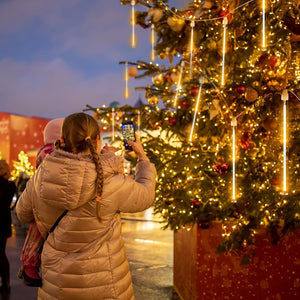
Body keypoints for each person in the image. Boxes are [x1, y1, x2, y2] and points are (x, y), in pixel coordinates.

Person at [16, 112, 156, 299]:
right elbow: (145, 196)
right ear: (97, 140)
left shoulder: (41, 177)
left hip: (57, 285)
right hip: (106, 283)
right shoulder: (110, 181)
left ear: (62, 139)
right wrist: (142, 156)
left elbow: (23, 214)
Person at [17, 118, 64, 287]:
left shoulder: (47, 150)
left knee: (37, 231)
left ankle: (30, 266)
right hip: (46, 200)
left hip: (45, 199)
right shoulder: (50, 152)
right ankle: (29, 265)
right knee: (37, 233)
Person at [0, 159, 16, 292]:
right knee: (1, 254)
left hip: (1, 224)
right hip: (4, 223)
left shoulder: (7, 185)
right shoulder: (10, 185)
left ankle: (5, 282)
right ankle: (5, 282)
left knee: (0, 254)